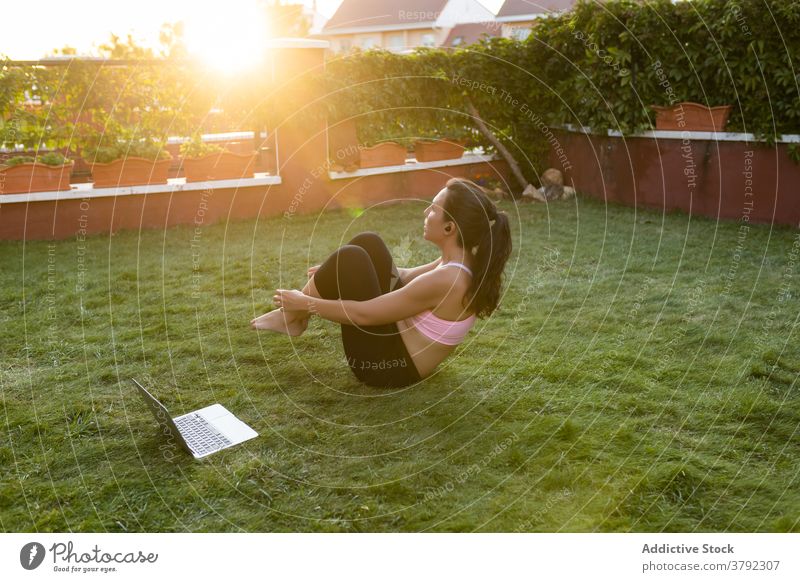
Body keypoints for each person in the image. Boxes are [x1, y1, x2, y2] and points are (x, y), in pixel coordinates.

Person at [250, 178, 512, 388]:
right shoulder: (460, 261)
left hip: (388, 367)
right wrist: (344, 272)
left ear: (449, 228)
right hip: (395, 343)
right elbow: (406, 276)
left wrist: (307, 302)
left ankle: (293, 315)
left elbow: (365, 314)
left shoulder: (447, 280)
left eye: (433, 209)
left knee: (352, 258)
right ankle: (292, 317)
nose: (425, 212)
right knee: (367, 243)